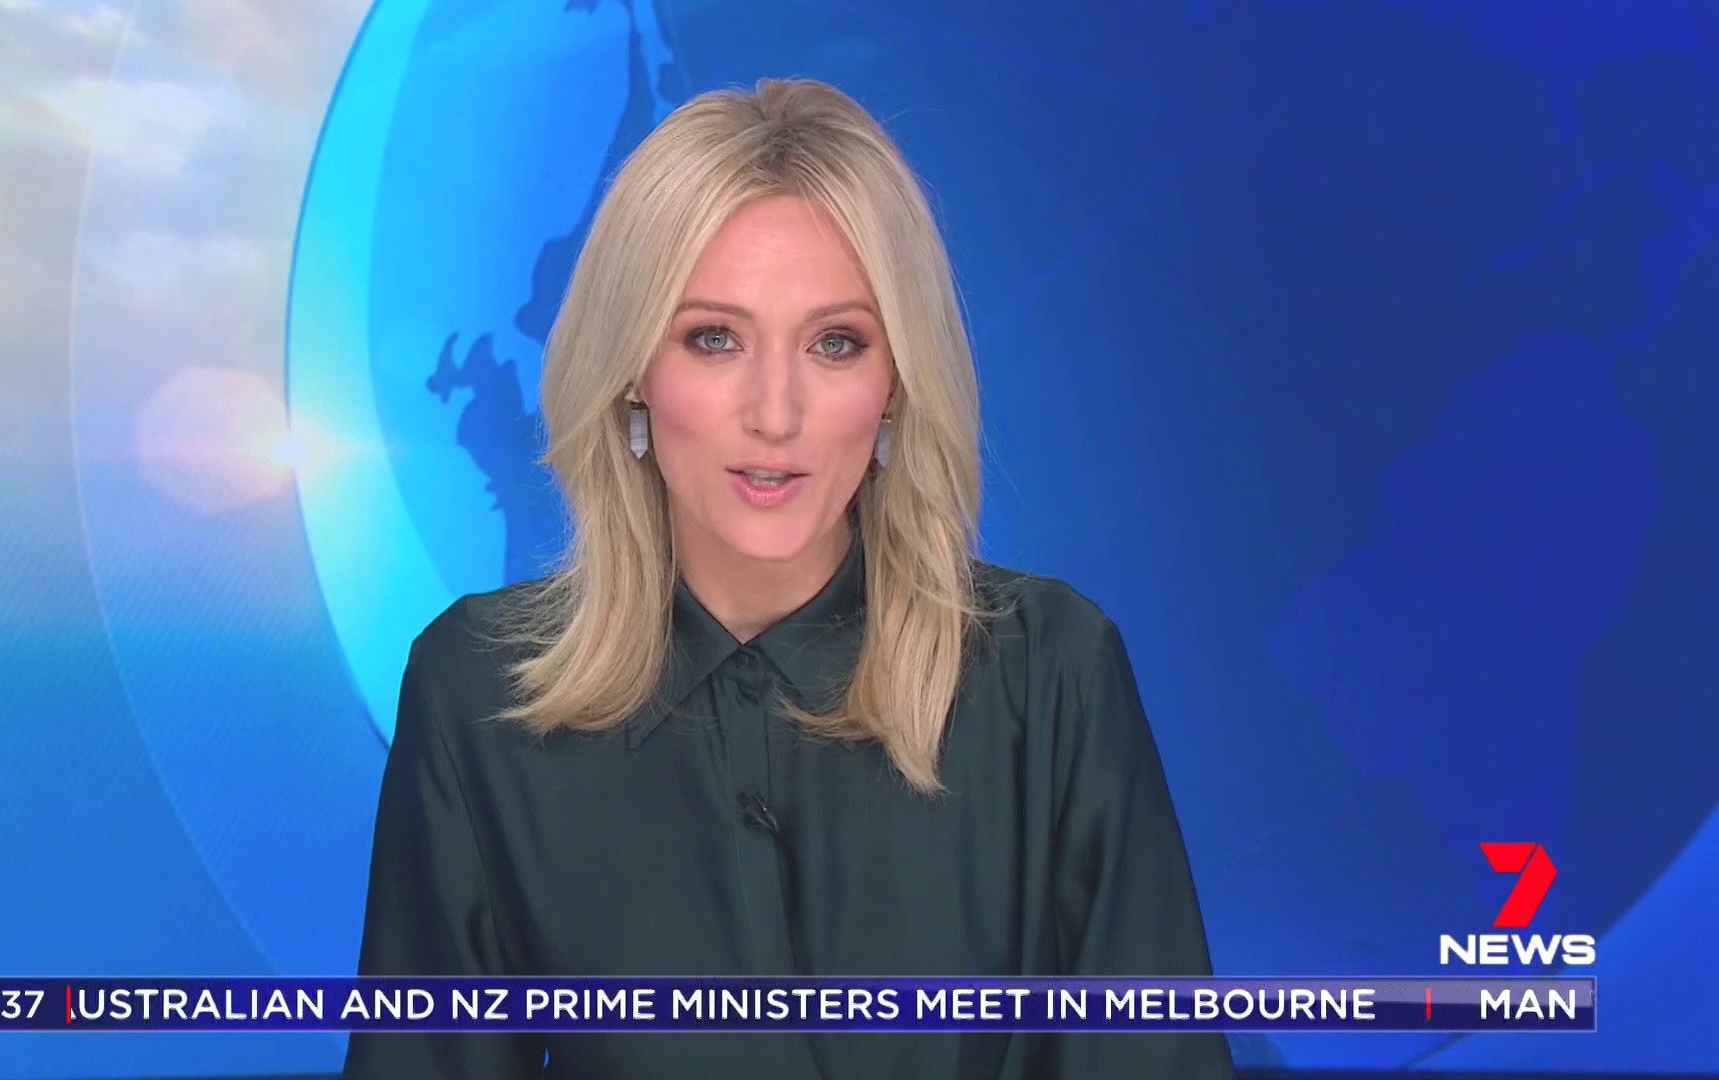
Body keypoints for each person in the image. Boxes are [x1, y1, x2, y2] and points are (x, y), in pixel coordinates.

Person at [343, 77, 1234, 1080]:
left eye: (835, 343)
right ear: (634, 371)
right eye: (714, 339)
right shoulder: (477, 693)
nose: (776, 413)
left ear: (895, 384)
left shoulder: (1053, 676)